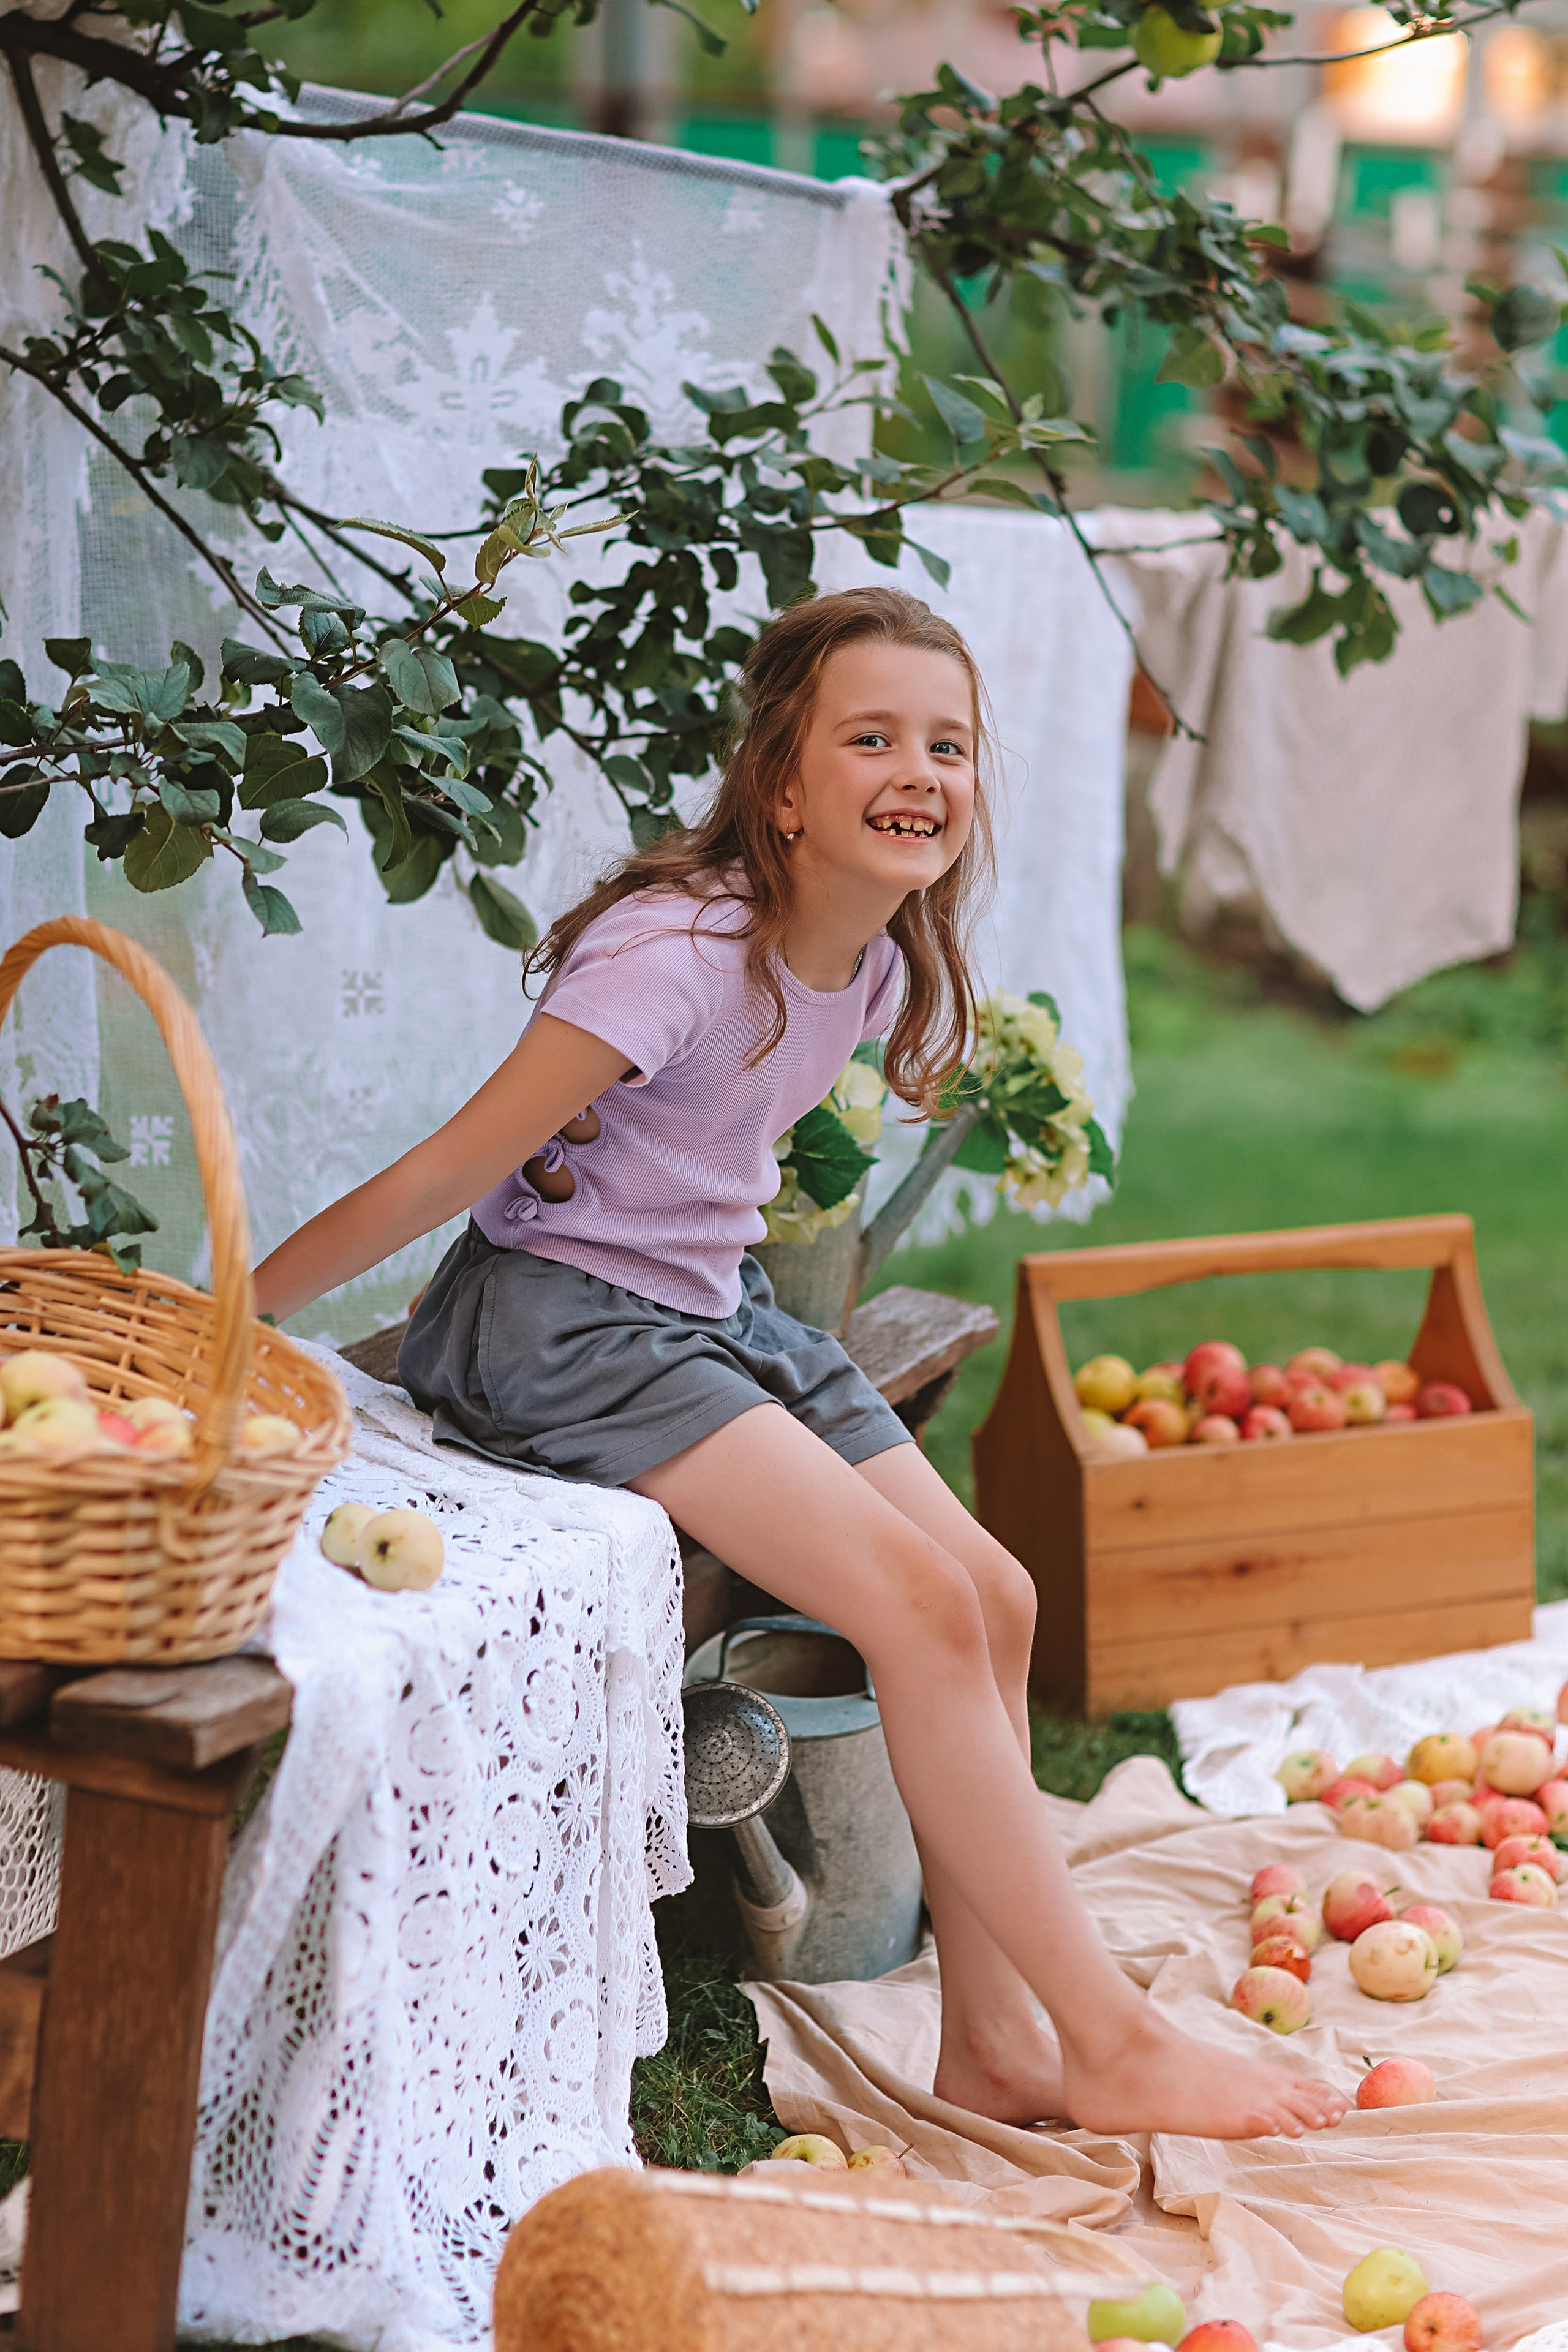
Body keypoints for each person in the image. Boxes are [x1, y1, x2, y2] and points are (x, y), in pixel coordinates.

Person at [255, 586, 1345, 2142]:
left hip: (711, 1309)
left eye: (947, 744)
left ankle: (994, 2040)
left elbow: (703, 1200)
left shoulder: (880, 965)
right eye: (871, 738)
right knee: (906, 1603)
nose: (919, 769)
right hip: (560, 1322)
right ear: (781, 784)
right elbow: (449, 1174)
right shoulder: (671, 951)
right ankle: (1106, 2034)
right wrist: (235, 1305)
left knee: (998, 1596)